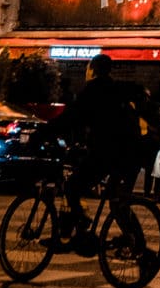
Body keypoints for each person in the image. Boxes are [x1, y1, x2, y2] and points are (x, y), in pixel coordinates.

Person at [53, 53, 148, 245]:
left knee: (72, 186)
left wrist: (42, 134)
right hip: (130, 153)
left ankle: (82, 223)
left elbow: (70, 118)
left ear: (92, 70)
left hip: (109, 153)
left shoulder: (93, 90)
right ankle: (138, 246)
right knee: (117, 202)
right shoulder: (117, 88)